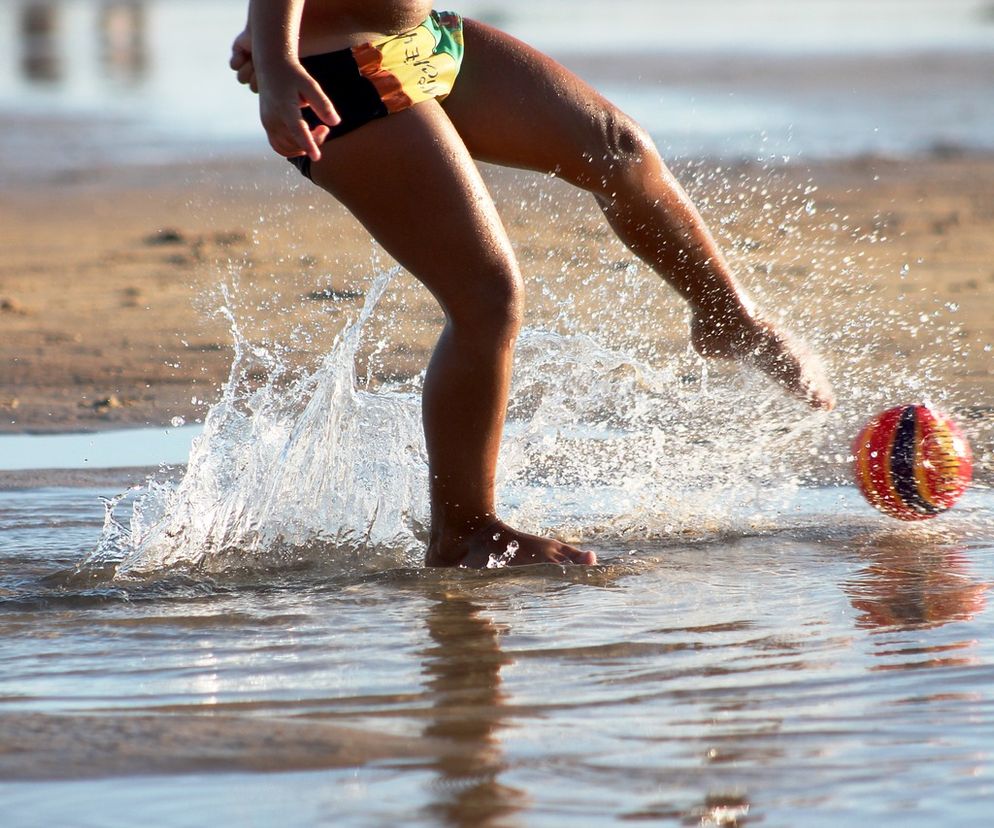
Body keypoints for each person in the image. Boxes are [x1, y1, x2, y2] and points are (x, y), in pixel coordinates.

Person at [229, 1, 835, 568]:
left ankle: (728, 318)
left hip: (426, 40)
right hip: (340, 77)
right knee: (486, 298)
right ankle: (464, 531)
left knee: (617, 149)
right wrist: (279, 55)